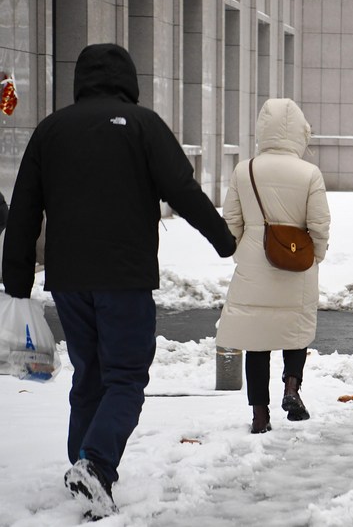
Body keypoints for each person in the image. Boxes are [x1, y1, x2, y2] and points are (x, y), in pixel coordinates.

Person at [1, 43, 237, 519]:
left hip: (69, 282)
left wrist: (17, 279)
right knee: (126, 377)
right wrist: (224, 240)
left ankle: (84, 468)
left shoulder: (51, 130)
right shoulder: (142, 125)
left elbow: (24, 208)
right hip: (124, 278)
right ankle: (95, 464)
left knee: (90, 376)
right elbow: (182, 190)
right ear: (127, 79)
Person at [216, 98, 331, 434]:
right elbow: (320, 224)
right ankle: (292, 387)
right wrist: (314, 257)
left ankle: (259, 415)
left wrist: (244, 251)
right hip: (298, 264)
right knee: (296, 332)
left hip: (254, 264)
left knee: (257, 340)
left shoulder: (245, 169)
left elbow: (232, 220)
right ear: (299, 131)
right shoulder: (310, 173)